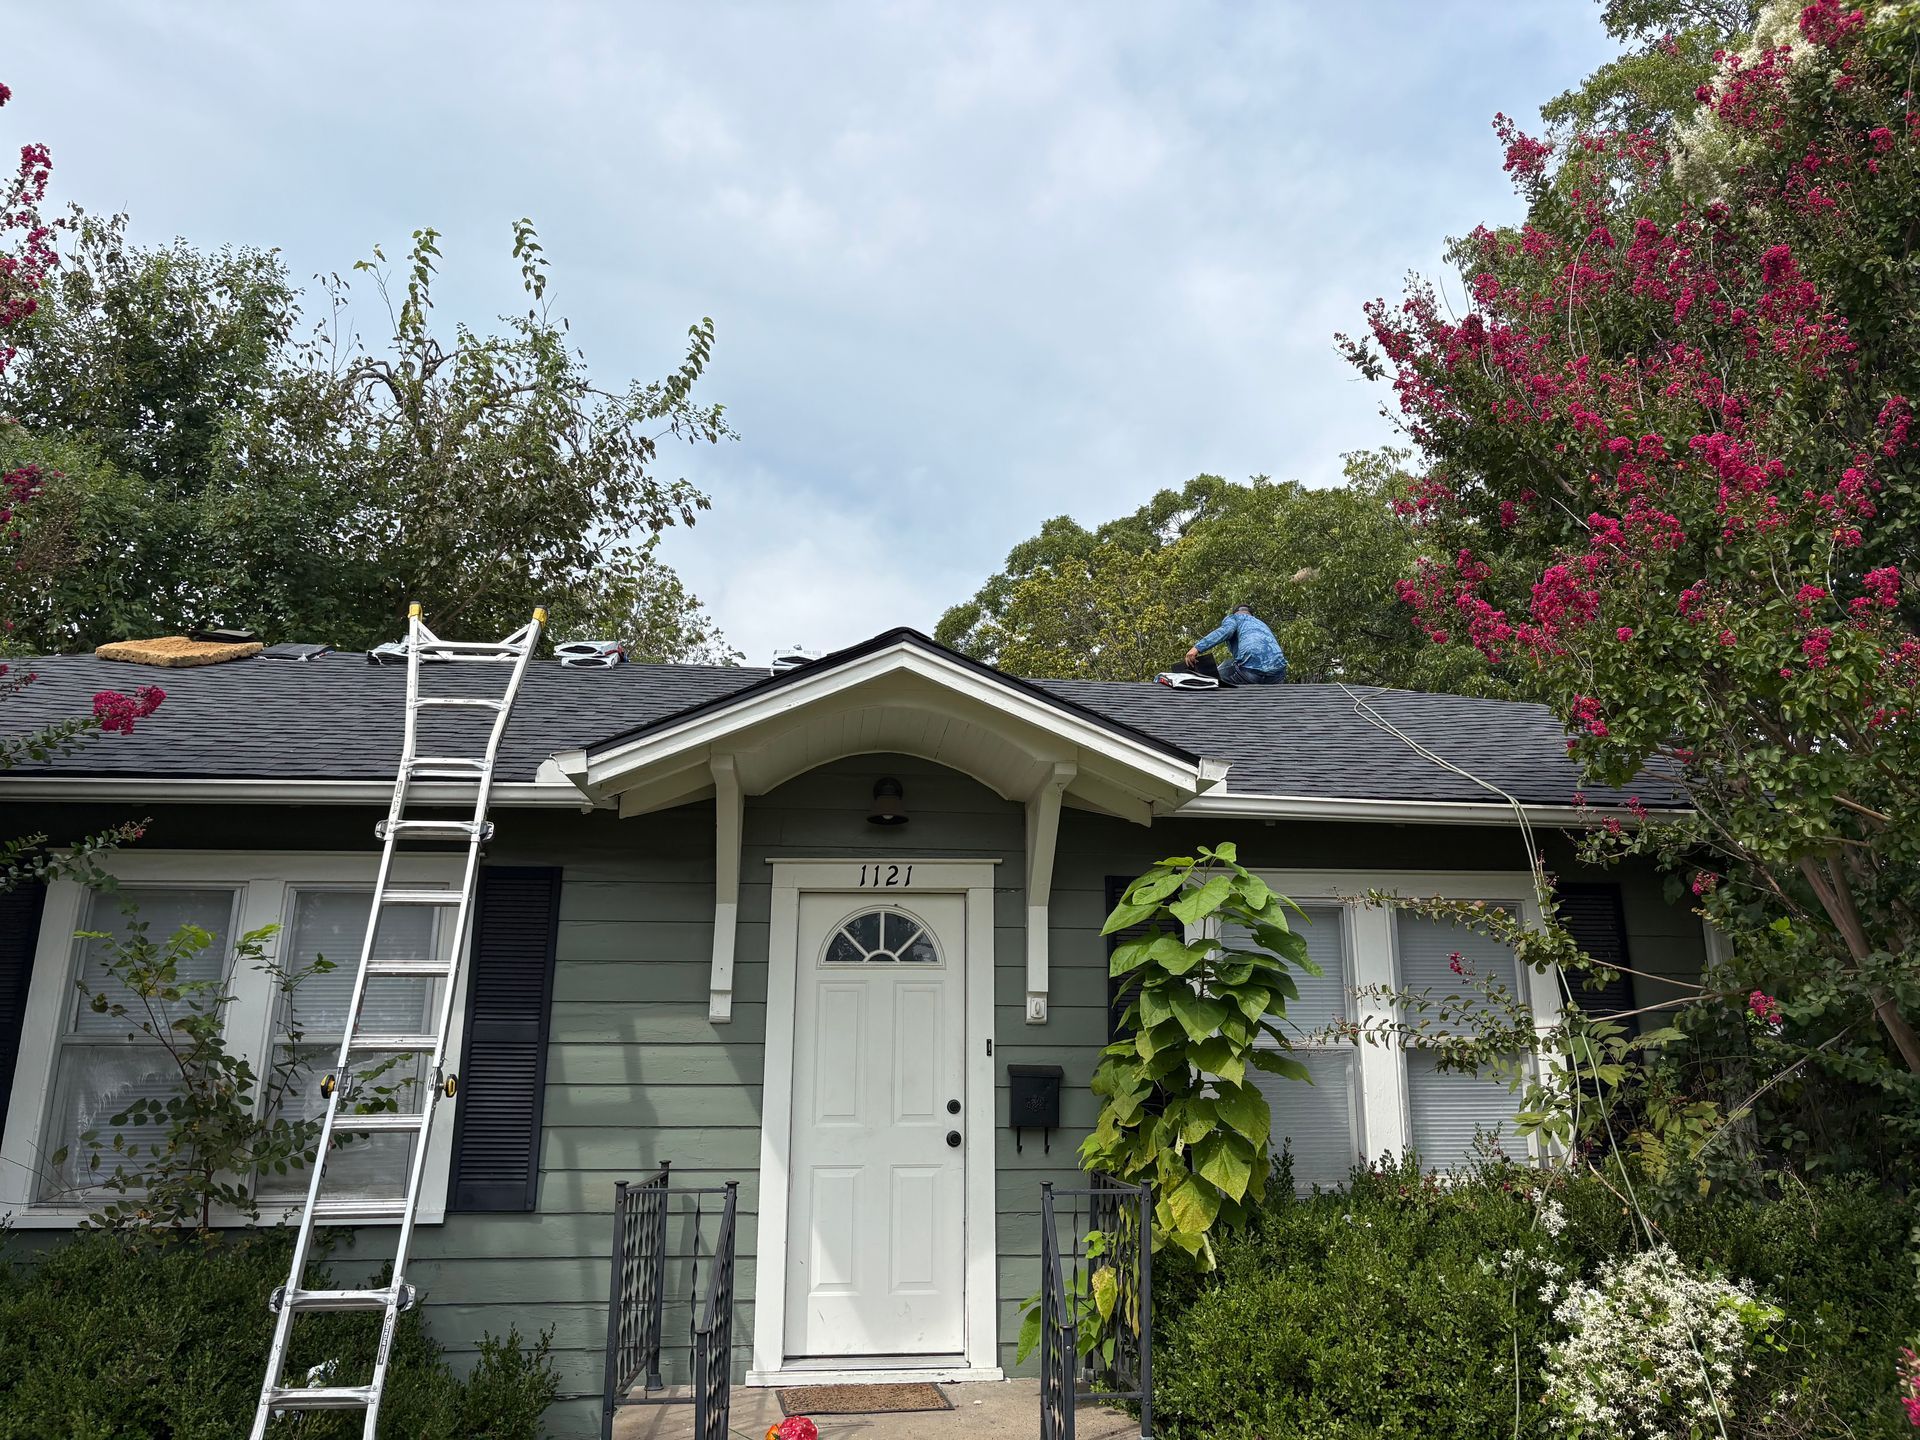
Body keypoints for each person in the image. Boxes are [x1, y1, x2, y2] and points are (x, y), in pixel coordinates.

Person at [1183, 605, 1287, 685]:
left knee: (1215, 676)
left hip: (1250, 673)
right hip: (1277, 675)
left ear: (1236, 613)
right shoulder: (1261, 624)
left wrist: (1197, 648)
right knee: (1233, 663)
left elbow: (1226, 631)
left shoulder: (1235, 618)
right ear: (1251, 614)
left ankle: (1203, 684)